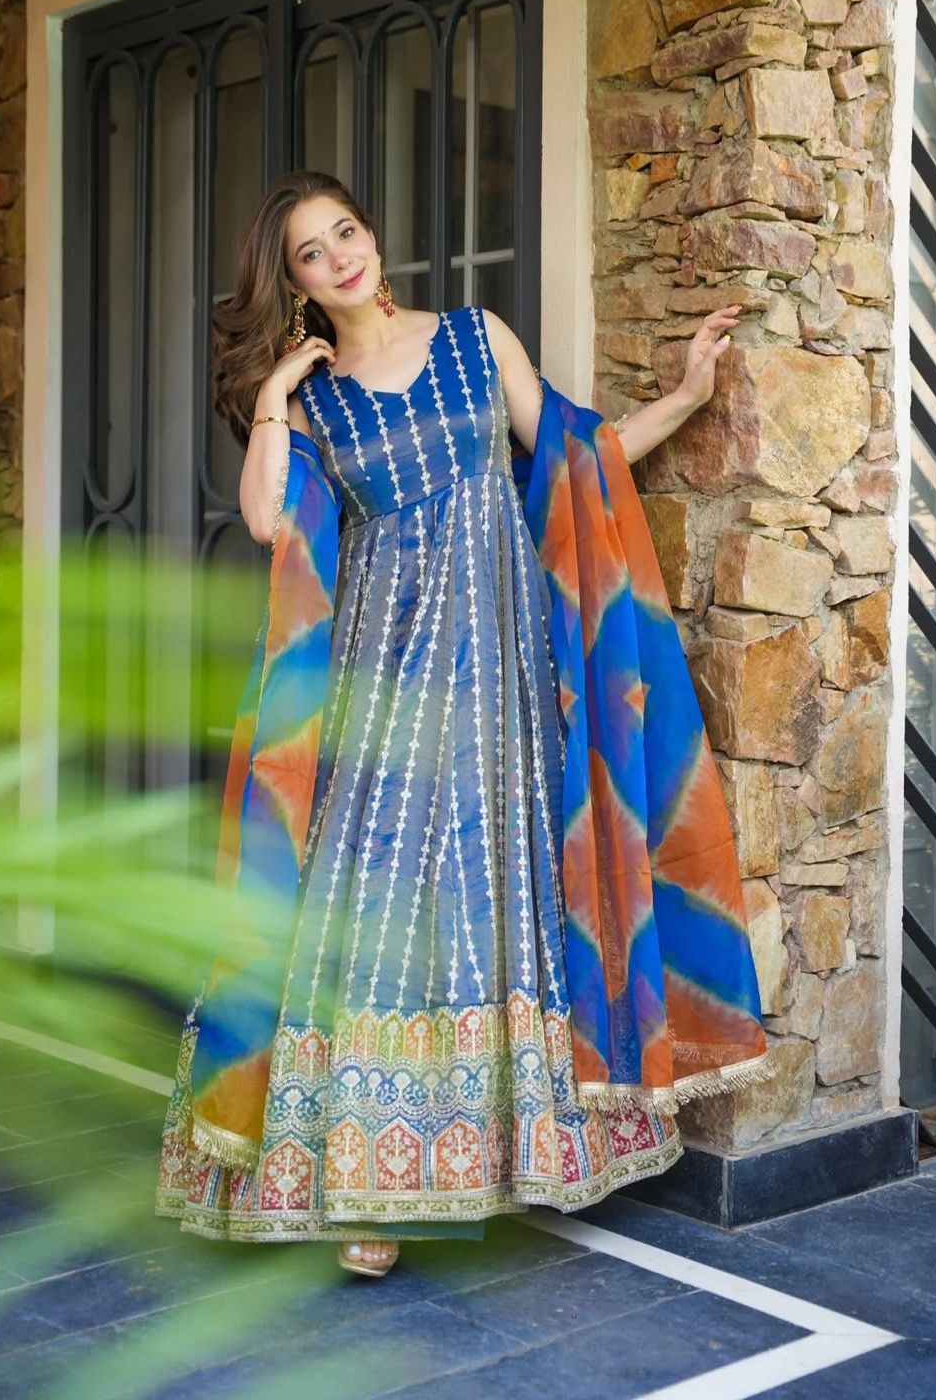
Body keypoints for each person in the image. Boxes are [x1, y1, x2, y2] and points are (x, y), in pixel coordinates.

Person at [155, 170, 770, 1277]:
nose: (340, 255)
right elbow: (262, 517)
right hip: (379, 693)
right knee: (373, 907)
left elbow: (575, 462)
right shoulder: (311, 398)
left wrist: (682, 396)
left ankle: (505, 1151)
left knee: (495, 899)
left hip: (499, 682)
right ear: (290, 282)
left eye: (345, 229)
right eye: (310, 251)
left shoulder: (476, 339)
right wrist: (274, 390)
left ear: (372, 230)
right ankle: (363, 1182)